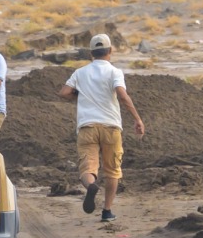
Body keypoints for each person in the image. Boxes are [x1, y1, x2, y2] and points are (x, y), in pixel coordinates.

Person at [57, 33, 144, 226]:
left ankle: (90, 186)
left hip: (87, 127)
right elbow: (122, 95)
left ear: (91, 53)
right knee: (112, 171)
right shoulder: (115, 72)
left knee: (87, 168)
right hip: (111, 127)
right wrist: (137, 119)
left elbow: (63, 92)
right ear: (110, 51)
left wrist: (79, 97)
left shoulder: (80, 72)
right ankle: (107, 211)